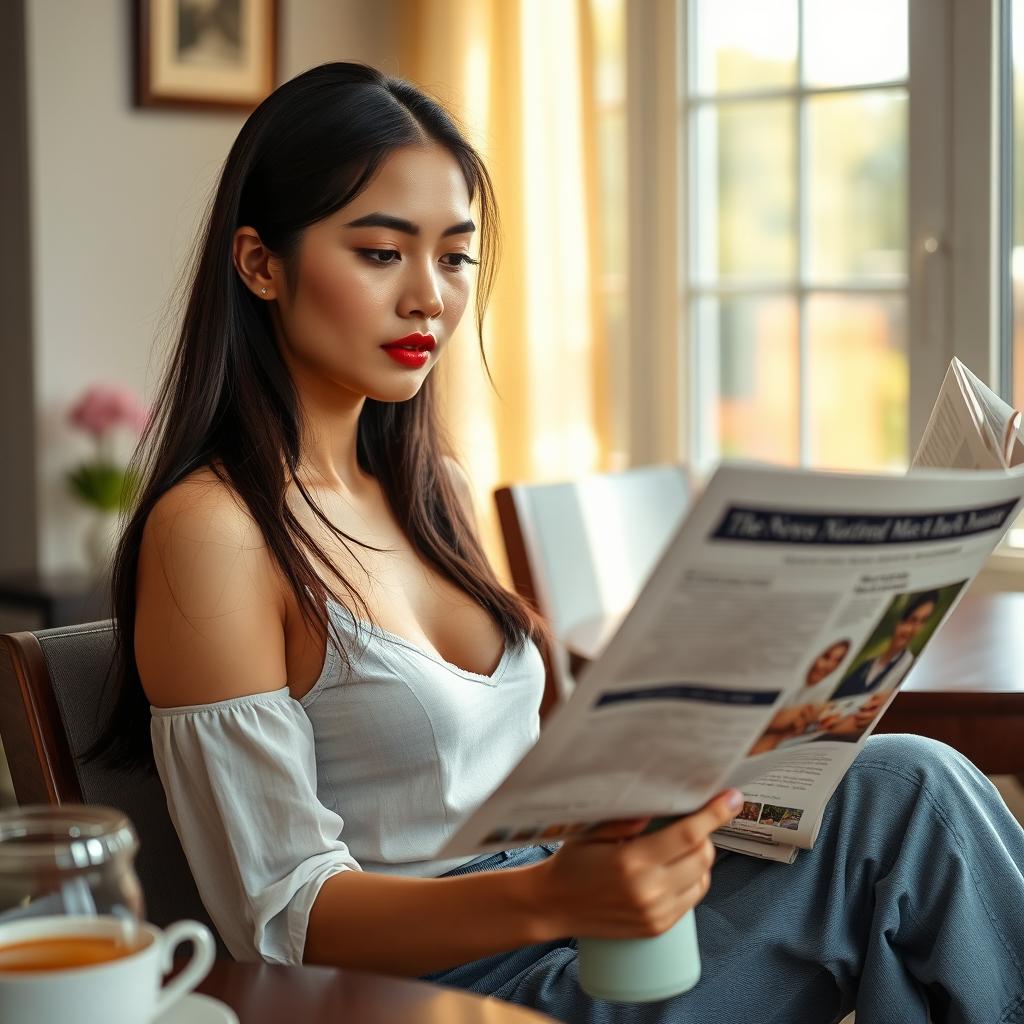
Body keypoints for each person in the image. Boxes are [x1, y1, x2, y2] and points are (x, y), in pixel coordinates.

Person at [89, 63, 1024, 1023]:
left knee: (909, 788)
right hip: (435, 991)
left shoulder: (427, 490)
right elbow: (278, 915)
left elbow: (533, 784)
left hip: (567, 916)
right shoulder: (215, 532)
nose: (429, 299)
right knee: (918, 850)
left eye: (454, 257)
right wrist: (550, 898)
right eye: (380, 253)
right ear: (260, 264)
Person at [746, 639, 850, 755]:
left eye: (837, 661)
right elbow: (772, 721)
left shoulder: (823, 693)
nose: (829, 666)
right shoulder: (788, 682)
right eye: (826, 657)